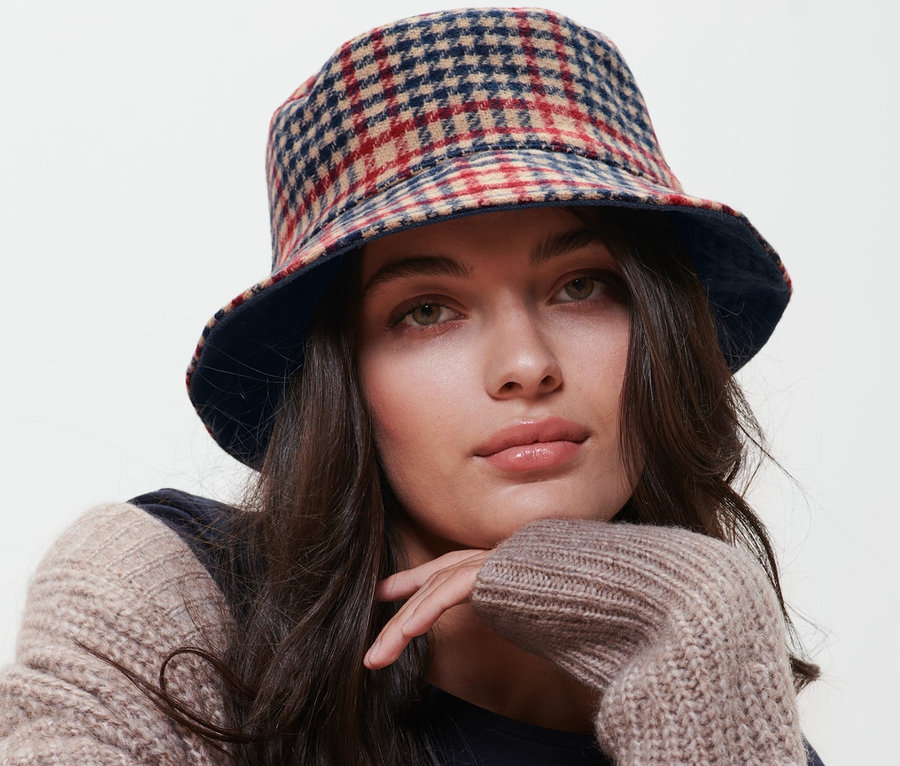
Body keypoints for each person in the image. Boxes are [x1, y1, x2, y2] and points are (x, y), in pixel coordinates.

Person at [0, 7, 824, 765]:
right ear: (341, 380)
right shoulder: (170, 600)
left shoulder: (716, 674)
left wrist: (705, 614)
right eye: (427, 310)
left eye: (582, 287)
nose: (525, 364)